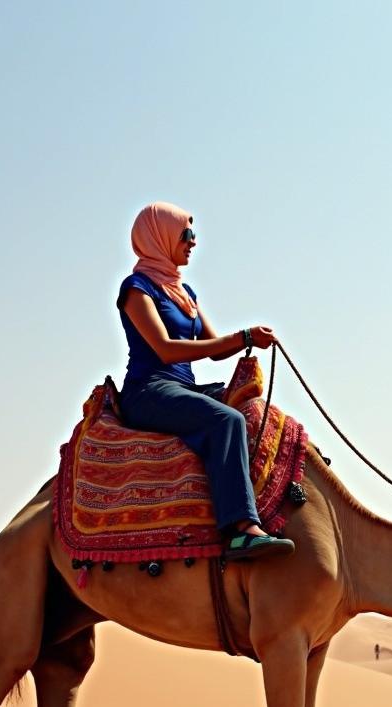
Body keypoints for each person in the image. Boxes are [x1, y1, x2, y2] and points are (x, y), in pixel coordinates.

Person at [116, 202, 295, 562]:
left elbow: (213, 350)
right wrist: (242, 336)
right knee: (226, 419)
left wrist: (249, 339)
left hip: (183, 388)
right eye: (186, 234)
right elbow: (166, 350)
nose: (193, 242)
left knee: (252, 408)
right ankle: (240, 529)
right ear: (160, 236)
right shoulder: (137, 289)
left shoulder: (185, 293)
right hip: (150, 390)